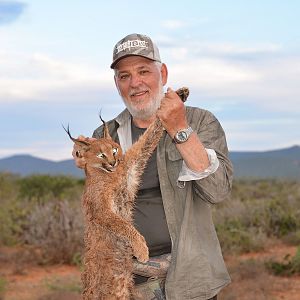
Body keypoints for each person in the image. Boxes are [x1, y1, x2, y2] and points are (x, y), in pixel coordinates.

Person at [73, 33, 233, 300]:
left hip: (189, 278)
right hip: (126, 280)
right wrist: (84, 159)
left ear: (163, 73)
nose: (135, 83)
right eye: (124, 76)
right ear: (117, 84)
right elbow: (99, 206)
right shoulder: (105, 133)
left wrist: (180, 128)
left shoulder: (201, 121)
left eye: (144, 71)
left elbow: (217, 191)